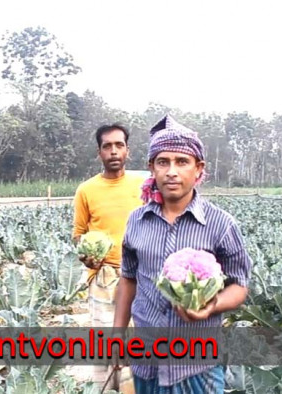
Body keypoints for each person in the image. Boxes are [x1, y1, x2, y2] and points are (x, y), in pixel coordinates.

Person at [112, 115, 252, 393]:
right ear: (152, 167)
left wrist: (212, 305)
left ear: (198, 169)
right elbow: (128, 279)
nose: (171, 171)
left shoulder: (221, 224)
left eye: (182, 162)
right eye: (163, 162)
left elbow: (240, 286)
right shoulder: (136, 220)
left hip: (197, 363)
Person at [72, 123, 144, 390]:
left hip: (141, 275)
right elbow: (79, 234)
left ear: (127, 150)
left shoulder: (143, 184)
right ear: (99, 152)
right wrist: (87, 256)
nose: (113, 151)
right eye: (107, 146)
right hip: (103, 275)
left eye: (119, 145)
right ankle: (105, 388)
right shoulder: (86, 190)